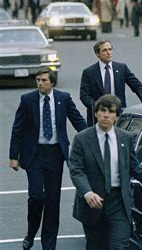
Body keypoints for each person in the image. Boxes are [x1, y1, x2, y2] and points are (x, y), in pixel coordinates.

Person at [69, 94, 142, 249]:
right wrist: (88, 193)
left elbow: (135, 168)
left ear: (117, 116)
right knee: (96, 246)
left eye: (110, 112)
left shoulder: (125, 138)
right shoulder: (82, 139)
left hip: (118, 201)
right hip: (93, 202)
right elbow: (77, 170)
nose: (105, 115)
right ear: (96, 113)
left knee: (119, 246)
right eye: (102, 111)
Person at [9, 68, 87, 250]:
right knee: (36, 197)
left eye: (44, 80)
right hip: (34, 155)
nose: (40, 84)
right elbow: (17, 128)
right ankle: (31, 232)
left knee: (53, 202)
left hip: (55, 155)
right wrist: (14, 156)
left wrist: (94, 139)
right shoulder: (27, 100)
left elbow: (78, 122)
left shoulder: (63, 98)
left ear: (52, 83)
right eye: (37, 80)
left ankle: (48, 245)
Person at [80, 40, 142, 126]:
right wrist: (98, 108)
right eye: (104, 50)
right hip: (98, 118)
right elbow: (84, 95)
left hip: (119, 116)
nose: (108, 53)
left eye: (110, 49)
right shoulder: (89, 72)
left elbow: (137, 86)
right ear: (97, 54)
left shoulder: (121, 68)